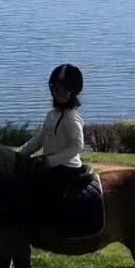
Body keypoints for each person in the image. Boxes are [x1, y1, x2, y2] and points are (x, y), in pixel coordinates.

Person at [17, 63, 87, 221]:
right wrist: (19, 154)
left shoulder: (72, 119)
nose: (59, 93)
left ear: (72, 91)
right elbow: (39, 139)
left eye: (64, 89)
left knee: (41, 187)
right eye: (56, 88)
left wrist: (51, 160)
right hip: (48, 164)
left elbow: (77, 146)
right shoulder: (51, 115)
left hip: (67, 168)